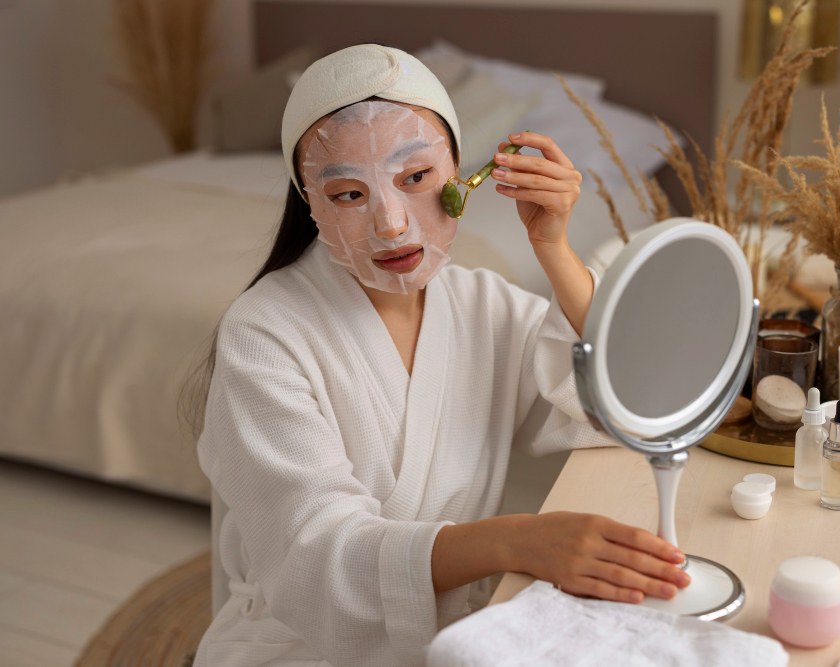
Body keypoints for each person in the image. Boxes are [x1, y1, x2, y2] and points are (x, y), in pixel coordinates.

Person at [191, 44, 690, 667]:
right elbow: (317, 560)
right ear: (309, 202)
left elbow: (627, 404)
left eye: (415, 178)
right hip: (299, 651)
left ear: (459, 172)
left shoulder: (482, 305)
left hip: (454, 640)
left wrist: (555, 249)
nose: (392, 224)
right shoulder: (263, 334)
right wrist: (518, 540)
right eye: (348, 194)